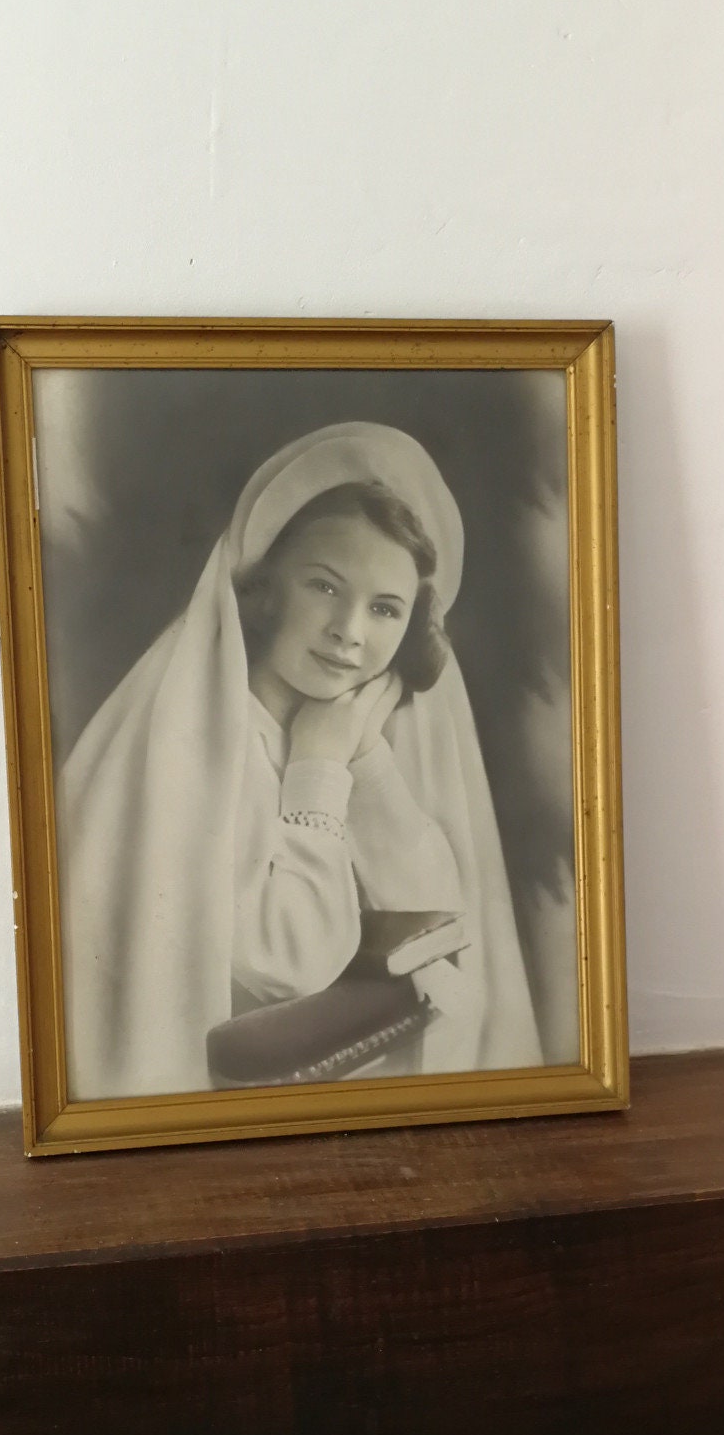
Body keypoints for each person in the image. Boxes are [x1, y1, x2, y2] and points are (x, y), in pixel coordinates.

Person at [58, 422, 542, 1098]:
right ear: (265, 590)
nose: (349, 631)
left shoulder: (339, 724)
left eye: (385, 609)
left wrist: (360, 755)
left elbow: (438, 910)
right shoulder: (200, 741)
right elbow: (289, 961)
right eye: (325, 587)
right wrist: (319, 766)